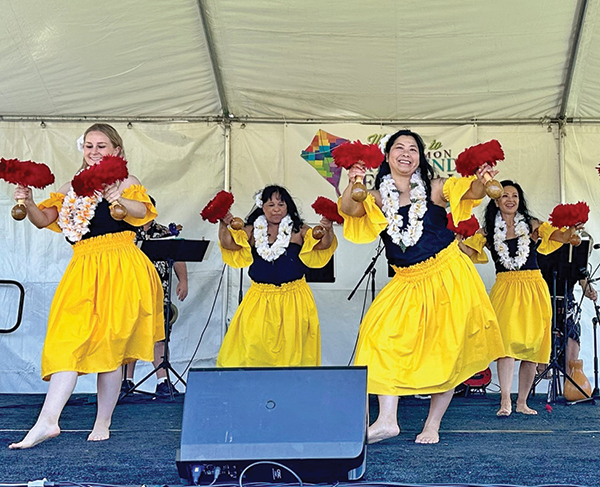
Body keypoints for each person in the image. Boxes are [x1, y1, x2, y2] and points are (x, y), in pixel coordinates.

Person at [339, 129, 505, 445]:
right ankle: (387, 420)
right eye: (398, 147)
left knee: (445, 350)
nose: (406, 153)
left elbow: (471, 191)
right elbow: (349, 208)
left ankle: (432, 424)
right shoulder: (375, 195)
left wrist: (483, 180)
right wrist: (353, 180)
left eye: (412, 148)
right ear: (387, 157)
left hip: (447, 274)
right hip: (406, 278)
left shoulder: (435, 189)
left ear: (420, 157)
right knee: (378, 335)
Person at [9, 124, 164, 449]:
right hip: (83, 268)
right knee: (66, 340)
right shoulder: (71, 188)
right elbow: (42, 219)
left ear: (116, 151)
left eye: (102, 146)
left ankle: (102, 421)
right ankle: (48, 420)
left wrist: (117, 197)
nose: (94, 151)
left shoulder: (128, 182)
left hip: (121, 266)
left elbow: (143, 214)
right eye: (89, 145)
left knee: (110, 350)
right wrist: (30, 200)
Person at [463, 180, 578, 416]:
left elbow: (560, 237)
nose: (510, 200)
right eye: (505, 195)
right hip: (505, 288)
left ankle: (522, 402)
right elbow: (467, 250)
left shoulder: (532, 225)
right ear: (496, 200)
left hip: (533, 286)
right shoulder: (487, 230)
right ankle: (505, 400)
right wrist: (456, 237)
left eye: (515, 196)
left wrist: (572, 228)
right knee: (505, 345)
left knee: (533, 347)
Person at [216, 185, 337, 367]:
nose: (276, 209)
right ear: (262, 207)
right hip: (260, 298)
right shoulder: (251, 231)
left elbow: (322, 245)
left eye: (281, 204)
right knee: (252, 345)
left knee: (293, 352)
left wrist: (328, 227)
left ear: (288, 207)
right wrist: (223, 223)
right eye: (271, 204)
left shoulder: (298, 230)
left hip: (294, 299)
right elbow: (229, 244)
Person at [122, 196, 188, 397]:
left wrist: (183, 281)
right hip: (129, 293)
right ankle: (126, 382)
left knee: (160, 337)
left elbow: (177, 257)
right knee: (130, 337)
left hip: (159, 293)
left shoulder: (163, 232)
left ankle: (163, 381)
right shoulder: (124, 233)